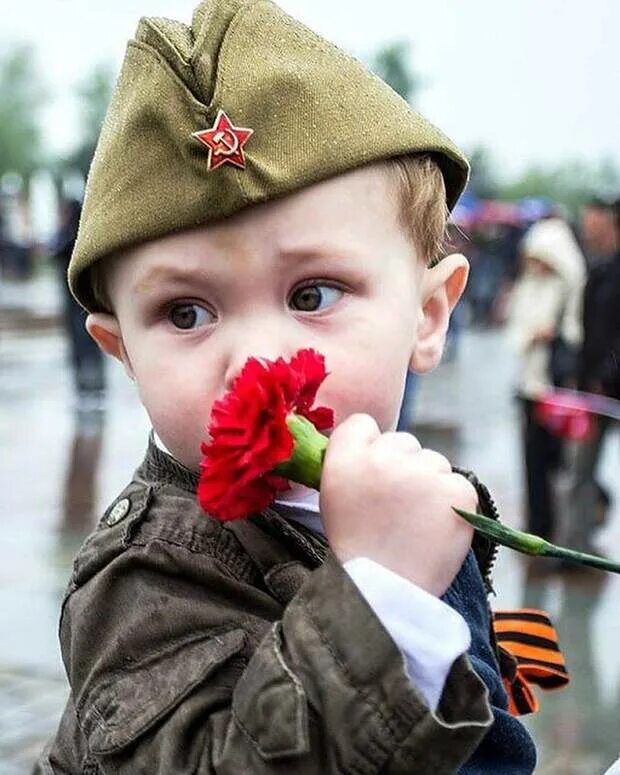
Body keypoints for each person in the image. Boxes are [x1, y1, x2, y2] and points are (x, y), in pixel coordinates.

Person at [36, 1, 539, 771]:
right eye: (186, 311)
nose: (257, 363)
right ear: (121, 351)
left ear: (429, 314)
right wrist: (381, 606)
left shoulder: (388, 487)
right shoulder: (143, 578)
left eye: (313, 295)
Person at [507, 216, 585, 542]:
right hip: (530, 386)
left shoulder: (568, 288)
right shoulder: (527, 287)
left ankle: (574, 515)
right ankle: (539, 523)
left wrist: (554, 336)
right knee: (533, 458)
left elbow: (575, 332)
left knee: (561, 458)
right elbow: (515, 332)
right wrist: (531, 337)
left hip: (558, 388)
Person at [561, 198, 620, 555]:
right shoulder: (597, 266)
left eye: (592, 219)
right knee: (580, 467)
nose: (586, 226)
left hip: (606, 386)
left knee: (581, 470)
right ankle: (575, 542)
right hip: (594, 388)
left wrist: (606, 374)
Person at [49, 198, 106, 409]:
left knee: (86, 344)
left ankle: (91, 387)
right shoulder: (78, 238)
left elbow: (53, 250)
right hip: (78, 305)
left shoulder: (74, 239)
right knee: (83, 345)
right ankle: (88, 386)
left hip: (80, 306)